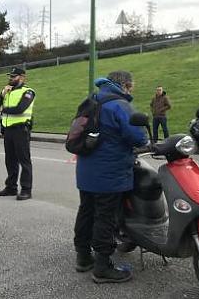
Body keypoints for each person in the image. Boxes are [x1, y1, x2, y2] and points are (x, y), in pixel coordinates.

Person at [73, 71, 148, 284]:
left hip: (86, 170)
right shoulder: (119, 105)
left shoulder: (92, 99)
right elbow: (137, 136)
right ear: (124, 85)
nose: (130, 91)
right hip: (110, 173)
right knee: (105, 217)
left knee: (86, 211)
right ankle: (103, 266)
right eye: (131, 88)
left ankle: (83, 257)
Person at [0, 67, 35, 201]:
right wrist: (2, 94)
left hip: (21, 130)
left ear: (22, 77)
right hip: (8, 130)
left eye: (13, 77)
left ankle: (26, 190)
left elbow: (20, 109)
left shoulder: (28, 92)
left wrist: (3, 109)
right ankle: (11, 187)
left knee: (24, 160)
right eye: (10, 76)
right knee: (10, 160)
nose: (10, 79)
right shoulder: (8, 91)